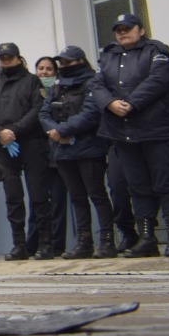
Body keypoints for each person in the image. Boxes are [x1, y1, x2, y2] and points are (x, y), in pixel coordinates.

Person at [90, 12, 169, 257]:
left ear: (141, 30)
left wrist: (130, 103)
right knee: (137, 188)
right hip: (122, 133)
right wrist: (111, 103)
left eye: (128, 28)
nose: (122, 32)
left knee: (166, 184)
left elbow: (158, 81)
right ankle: (146, 239)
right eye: (118, 29)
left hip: (156, 130)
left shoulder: (157, 51)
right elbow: (96, 85)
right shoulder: (109, 56)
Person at [40, 45, 115, 259]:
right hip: (62, 150)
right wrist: (53, 131)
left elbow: (91, 113)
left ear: (80, 61)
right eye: (61, 62)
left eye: (67, 62)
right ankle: (84, 243)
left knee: (97, 195)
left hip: (89, 148)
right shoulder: (56, 84)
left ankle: (107, 242)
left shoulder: (92, 82)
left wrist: (62, 130)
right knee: (77, 198)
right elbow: (44, 112)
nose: (63, 66)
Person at [0, 43, 52, 260]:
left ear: (18, 58)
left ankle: (45, 245)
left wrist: (14, 130)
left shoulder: (32, 81)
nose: (5, 61)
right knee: (13, 197)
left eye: (9, 57)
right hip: (3, 145)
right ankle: (18, 245)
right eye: (2, 58)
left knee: (39, 195)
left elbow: (38, 108)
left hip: (31, 143)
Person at [33, 56, 70, 256]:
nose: (44, 72)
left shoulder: (58, 90)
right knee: (37, 201)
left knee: (57, 201)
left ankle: (57, 244)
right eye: (41, 68)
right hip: (37, 154)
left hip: (57, 151)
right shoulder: (30, 90)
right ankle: (36, 243)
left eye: (49, 69)